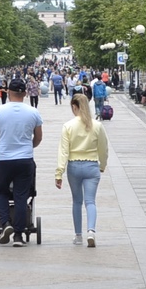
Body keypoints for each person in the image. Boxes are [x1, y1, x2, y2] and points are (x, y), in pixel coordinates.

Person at [0, 78, 43, 247]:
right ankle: (18, 235)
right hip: (25, 159)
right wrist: (28, 147)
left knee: (0, 192)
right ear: (25, 93)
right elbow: (39, 137)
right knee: (21, 196)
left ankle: (5, 224)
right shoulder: (33, 112)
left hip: (4, 159)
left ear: (8, 92)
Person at [55, 92, 108, 247]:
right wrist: (102, 165)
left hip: (74, 166)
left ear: (74, 107)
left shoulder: (68, 126)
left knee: (77, 201)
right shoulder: (97, 125)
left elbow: (63, 151)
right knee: (90, 201)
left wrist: (59, 172)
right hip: (92, 166)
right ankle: (91, 231)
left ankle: (78, 235)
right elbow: (103, 149)